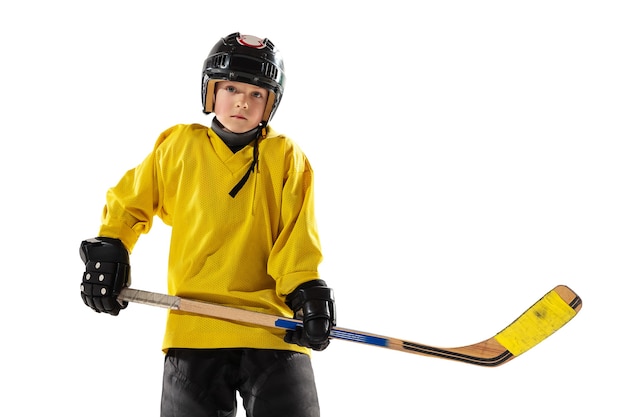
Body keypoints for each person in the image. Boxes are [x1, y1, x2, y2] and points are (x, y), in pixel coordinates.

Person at [79, 32, 336, 417]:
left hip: (273, 328)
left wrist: (306, 290)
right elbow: (129, 202)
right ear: (210, 91)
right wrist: (111, 248)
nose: (242, 101)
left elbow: (297, 235)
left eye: (256, 94)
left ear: (270, 104)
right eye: (231, 87)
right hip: (194, 326)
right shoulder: (179, 147)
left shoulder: (286, 157)